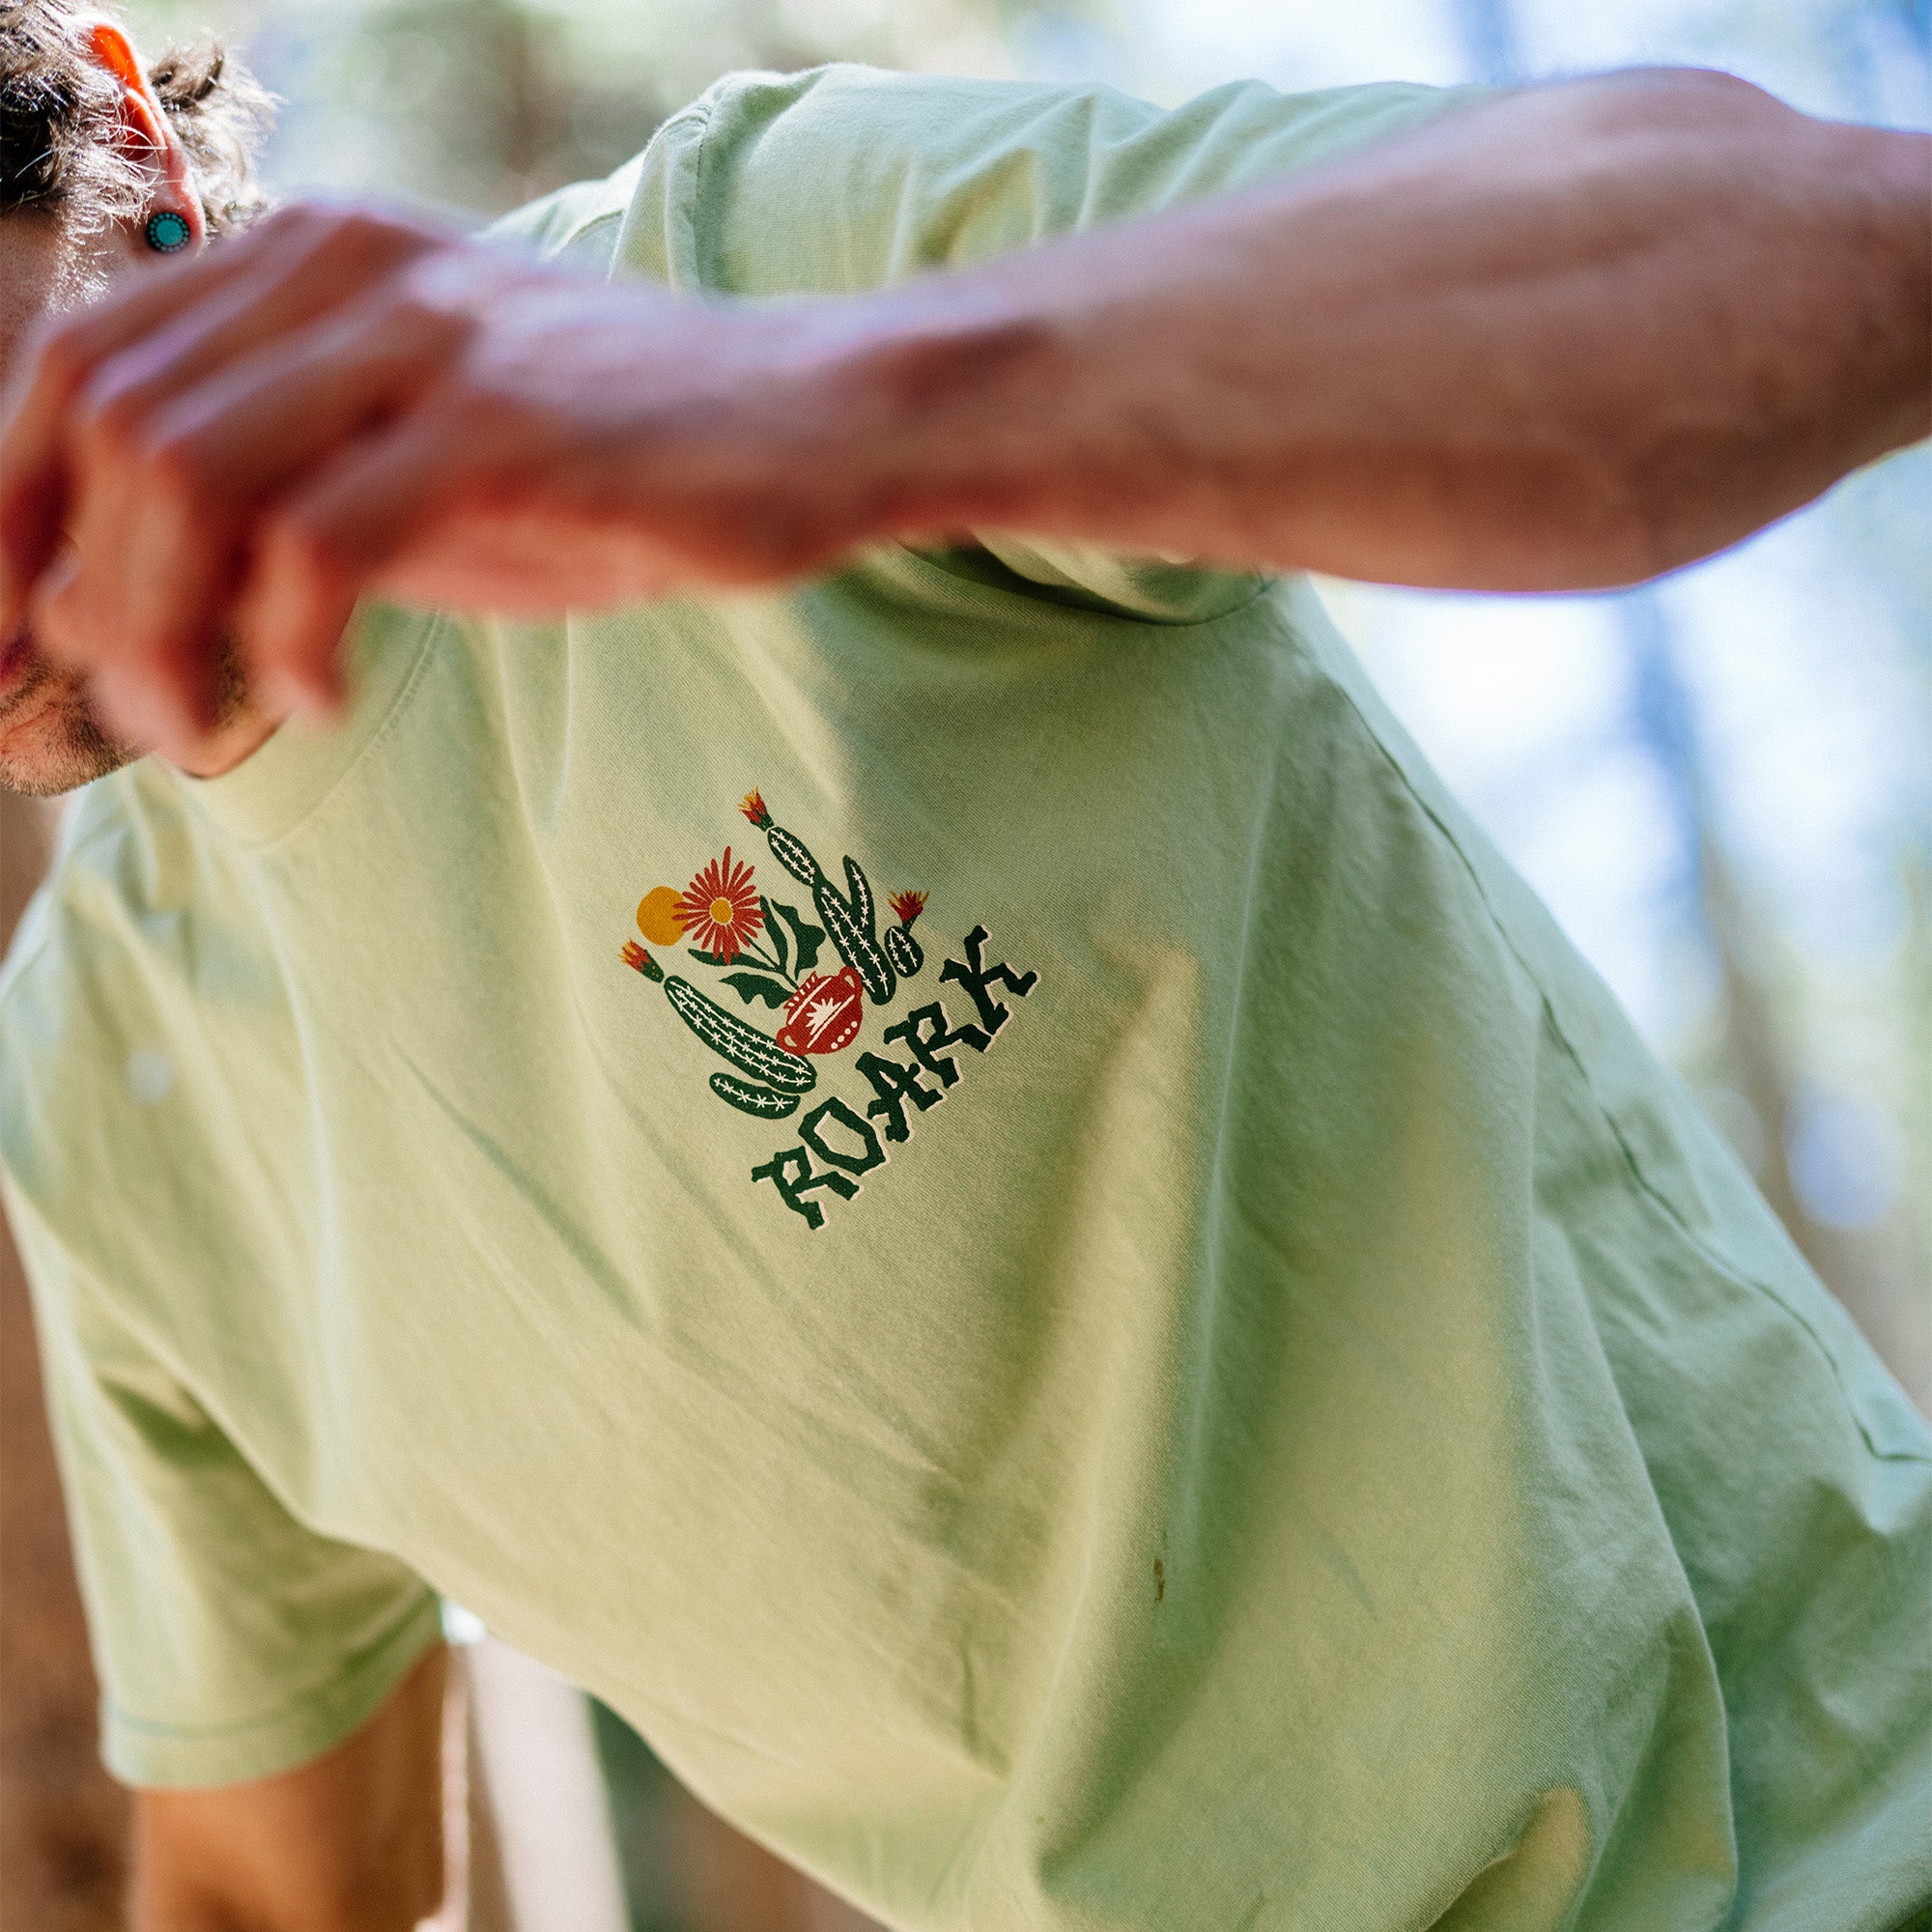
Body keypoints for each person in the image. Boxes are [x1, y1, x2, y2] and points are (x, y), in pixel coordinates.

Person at [0, 3, 1926, 1927]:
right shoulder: (101, 1078)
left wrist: (825, 415)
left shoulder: (734, 274)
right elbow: (267, 1889)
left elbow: (1825, 237)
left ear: (132, 158)